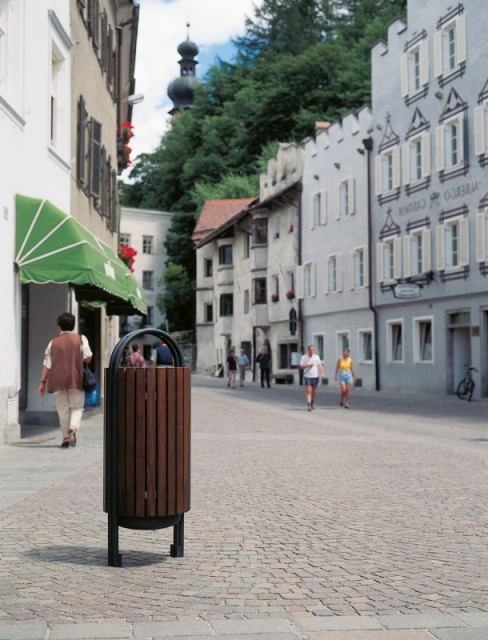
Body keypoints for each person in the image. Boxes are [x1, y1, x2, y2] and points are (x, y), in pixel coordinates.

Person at [38, 312, 92, 448]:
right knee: (77, 407)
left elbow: (47, 365)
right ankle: (73, 428)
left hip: (57, 381)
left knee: (63, 409)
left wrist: (42, 383)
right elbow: (88, 357)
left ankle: (66, 438)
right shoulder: (81, 339)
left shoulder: (53, 343)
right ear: (73, 326)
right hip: (76, 379)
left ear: (59, 326)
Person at [300, 345, 325, 411]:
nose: (312, 351)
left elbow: (320, 365)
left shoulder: (316, 357)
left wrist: (322, 373)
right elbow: (301, 366)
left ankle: (312, 403)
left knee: (314, 391)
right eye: (311, 349)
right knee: (309, 390)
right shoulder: (304, 357)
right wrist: (308, 365)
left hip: (315, 376)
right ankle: (309, 405)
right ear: (308, 350)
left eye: (313, 349)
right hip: (307, 376)